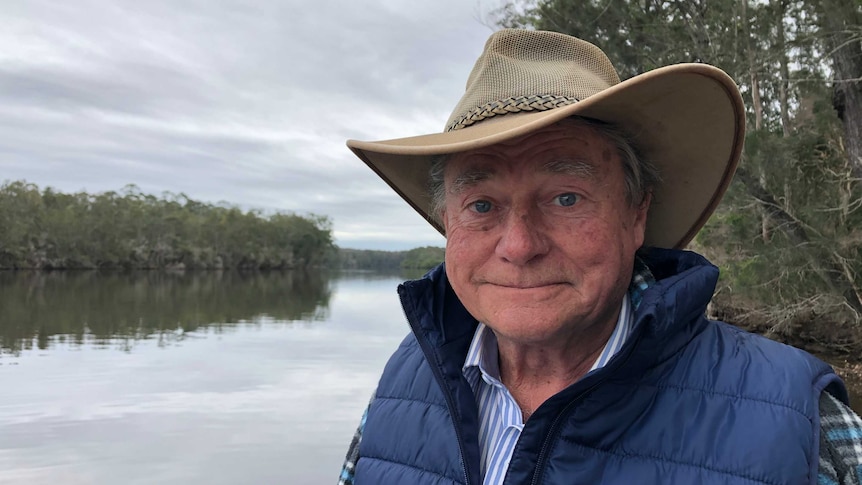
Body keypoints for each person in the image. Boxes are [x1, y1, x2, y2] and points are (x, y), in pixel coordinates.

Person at [339, 29, 862, 484]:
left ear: (636, 214)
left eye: (566, 198)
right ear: (449, 224)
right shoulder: (399, 392)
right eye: (481, 205)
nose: (519, 246)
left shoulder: (803, 424)